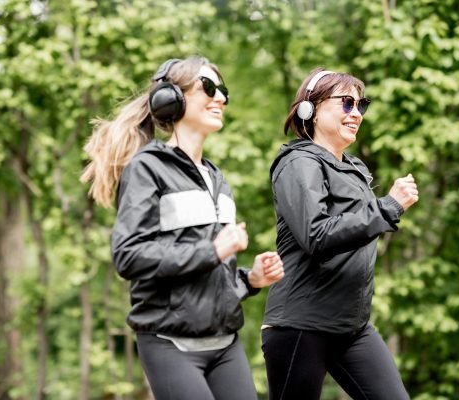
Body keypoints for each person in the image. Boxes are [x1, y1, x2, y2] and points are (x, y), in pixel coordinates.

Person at [80, 56, 285, 400]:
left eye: (223, 91)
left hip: (225, 344)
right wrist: (214, 250)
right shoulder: (147, 169)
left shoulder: (217, 179)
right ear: (171, 98)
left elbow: (209, 276)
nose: (220, 97)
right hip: (169, 344)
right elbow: (128, 256)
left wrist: (249, 280)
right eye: (208, 87)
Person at [261, 68, 418, 400]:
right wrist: (388, 207)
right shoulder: (298, 163)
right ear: (311, 109)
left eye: (362, 105)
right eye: (347, 103)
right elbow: (316, 235)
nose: (357, 113)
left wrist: (383, 208)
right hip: (301, 325)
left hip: (352, 328)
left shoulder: (355, 168)